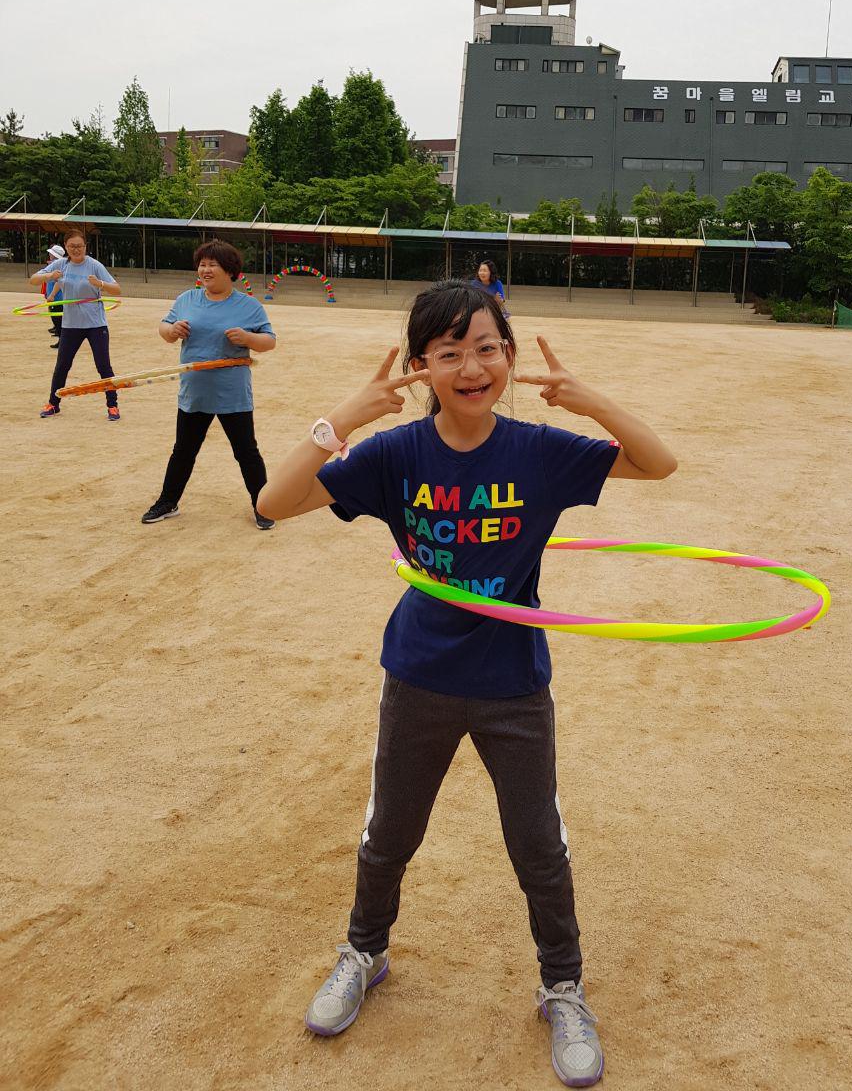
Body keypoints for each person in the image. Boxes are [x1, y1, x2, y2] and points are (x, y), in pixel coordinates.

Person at [257, 279, 677, 1087]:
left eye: (487, 347)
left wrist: (589, 400)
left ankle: (562, 986)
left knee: (539, 846)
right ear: (421, 367)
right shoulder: (394, 455)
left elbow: (659, 464)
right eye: (449, 352)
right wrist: (344, 419)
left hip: (513, 682)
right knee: (390, 835)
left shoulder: (539, 452)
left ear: (510, 358)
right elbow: (275, 500)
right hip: (419, 675)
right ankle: (364, 951)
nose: (472, 366)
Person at [142, 239, 277, 529]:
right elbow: (164, 329)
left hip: (232, 393)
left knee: (246, 452)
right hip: (195, 392)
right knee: (184, 450)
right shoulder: (186, 300)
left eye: (212, 264)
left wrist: (248, 339)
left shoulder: (248, 306)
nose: (205, 269)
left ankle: (264, 505)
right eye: (202, 264)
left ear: (229, 270)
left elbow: (270, 341)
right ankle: (168, 501)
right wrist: (172, 330)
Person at [32, 228, 122, 419]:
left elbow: (117, 290)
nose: (76, 250)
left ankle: (112, 405)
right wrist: (48, 276)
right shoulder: (60, 265)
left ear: (85, 246)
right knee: (62, 365)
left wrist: (100, 284)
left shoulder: (94, 265)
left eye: (79, 246)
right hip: (71, 325)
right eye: (72, 246)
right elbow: (33, 280)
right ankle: (53, 403)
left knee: (103, 366)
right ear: (66, 246)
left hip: (95, 324)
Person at [42, 244, 66, 346]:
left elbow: (59, 282)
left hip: (57, 298)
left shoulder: (57, 266)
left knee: (58, 321)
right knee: (58, 320)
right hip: (56, 298)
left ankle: (62, 342)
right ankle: (62, 341)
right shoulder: (57, 265)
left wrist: (51, 295)